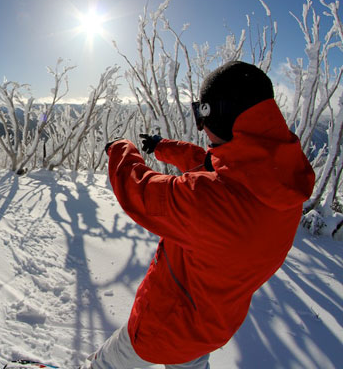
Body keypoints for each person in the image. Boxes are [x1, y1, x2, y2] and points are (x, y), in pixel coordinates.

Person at [82, 61, 315, 368]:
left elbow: (140, 192)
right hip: (210, 326)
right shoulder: (282, 183)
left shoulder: (209, 199)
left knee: (109, 362)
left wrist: (121, 150)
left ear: (218, 113)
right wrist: (161, 146)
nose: (201, 127)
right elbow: (212, 162)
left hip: (162, 325)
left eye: (200, 114)